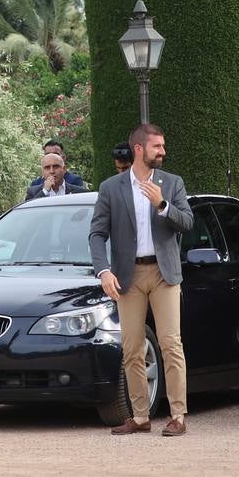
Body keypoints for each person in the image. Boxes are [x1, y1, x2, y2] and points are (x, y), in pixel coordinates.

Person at [88, 123, 193, 437]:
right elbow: (97, 234)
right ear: (139, 149)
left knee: (170, 344)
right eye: (157, 146)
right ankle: (140, 416)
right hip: (127, 276)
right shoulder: (111, 187)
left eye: (162, 146)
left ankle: (178, 416)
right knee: (132, 347)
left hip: (164, 275)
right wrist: (103, 270)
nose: (162, 152)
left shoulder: (172, 183)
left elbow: (187, 222)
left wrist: (162, 204)